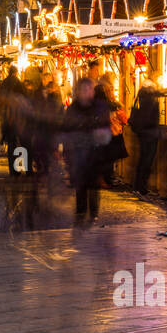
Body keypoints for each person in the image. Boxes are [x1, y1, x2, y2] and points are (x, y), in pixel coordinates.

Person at [61, 77, 112, 229]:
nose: (87, 93)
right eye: (84, 90)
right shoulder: (73, 109)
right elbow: (66, 130)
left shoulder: (100, 107)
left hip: (95, 152)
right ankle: (81, 213)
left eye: (89, 89)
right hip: (78, 152)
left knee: (94, 184)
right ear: (78, 91)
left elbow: (105, 128)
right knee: (80, 185)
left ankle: (93, 214)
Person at [128, 70, 161, 195]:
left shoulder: (144, 91)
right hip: (149, 131)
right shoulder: (149, 92)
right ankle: (141, 187)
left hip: (144, 131)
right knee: (147, 159)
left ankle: (139, 186)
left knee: (143, 158)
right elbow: (149, 114)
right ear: (154, 79)